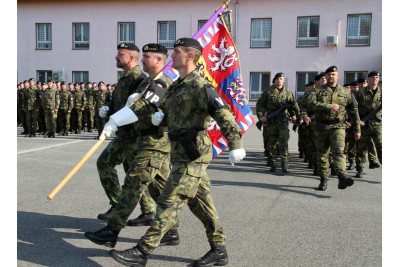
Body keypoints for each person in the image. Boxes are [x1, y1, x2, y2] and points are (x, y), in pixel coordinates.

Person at [108, 37, 246, 267]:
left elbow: (223, 114)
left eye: (177, 52)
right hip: (179, 151)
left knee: (169, 200)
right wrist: (160, 118)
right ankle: (219, 248)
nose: (172, 56)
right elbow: (166, 111)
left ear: (190, 56)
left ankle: (143, 251)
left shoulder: (202, 86)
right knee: (201, 203)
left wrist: (235, 143)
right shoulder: (176, 86)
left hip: (194, 153)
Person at [84, 43, 180, 248]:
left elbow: (141, 107)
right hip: (148, 141)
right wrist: (111, 111)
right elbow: (130, 104)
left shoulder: (160, 83)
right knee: (159, 188)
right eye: (143, 56)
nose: (143, 60)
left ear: (158, 60)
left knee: (133, 185)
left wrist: (114, 121)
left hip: (154, 142)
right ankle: (170, 231)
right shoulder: (149, 83)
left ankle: (113, 229)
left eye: (146, 57)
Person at [95, 42, 148, 221]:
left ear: (132, 57)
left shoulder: (139, 79)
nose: (116, 57)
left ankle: (117, 205)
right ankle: (148, 212)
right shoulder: (124, 77)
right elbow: (117, 101)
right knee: (134, 173)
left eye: (120, 54)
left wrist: (115, 121)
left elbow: (137, 107)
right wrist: (108, 107)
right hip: (123, 133)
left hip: (131, 134)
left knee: (104, 163)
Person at [307, 66, 361, 191]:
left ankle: (342, 177)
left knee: (339, 151)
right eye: (329, 74)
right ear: (325, 77)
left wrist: (357, 129)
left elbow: (354, 111)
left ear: (338, 76)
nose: (331, 76)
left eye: (333, 74)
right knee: (323, 154)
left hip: (338, 125)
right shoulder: (317, 90)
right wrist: (328, 106)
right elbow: (310, 104)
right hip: (321, 126)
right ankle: (323, 180)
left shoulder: (346, 92)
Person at [256, 72, 300, 173]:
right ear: (274, 80)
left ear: (284, 80)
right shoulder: (268, 92)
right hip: (271, 121)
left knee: (283, 142)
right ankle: (273, 162)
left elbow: (292, 106)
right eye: (277, 78)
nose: (279, 80)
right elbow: (260, 105)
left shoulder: (288, 93)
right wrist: (261, 116)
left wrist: (294, 115)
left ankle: (285, 164)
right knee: (272, 142)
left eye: (281, 78)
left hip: (283, 121)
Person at [354, 71, 382, 178]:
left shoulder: (382, 93)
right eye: (373, 77)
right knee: (361, 148)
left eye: (377, 77)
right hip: (363, 125)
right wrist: (358, 120)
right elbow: (353, 108)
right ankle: (359, 169)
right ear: (369, 79)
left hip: (377, 125)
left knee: (381, 148)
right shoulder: (360, 93)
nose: (375, 79)